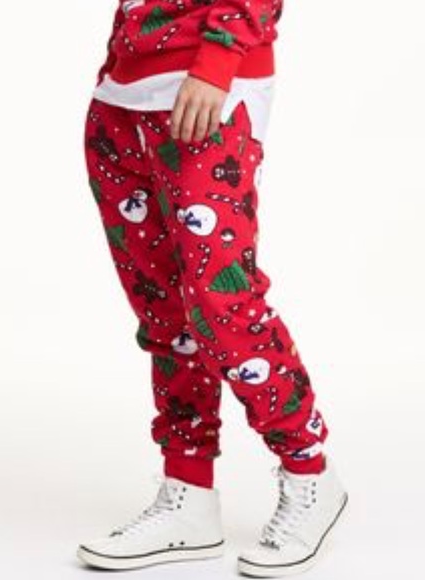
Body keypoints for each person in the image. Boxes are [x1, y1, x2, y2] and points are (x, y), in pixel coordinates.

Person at [76, 1, 348, 576]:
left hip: (207, 86)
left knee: (222, 302)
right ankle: (188, 493)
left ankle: (310, 474)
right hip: (122, 94)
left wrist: (218, 62)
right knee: (163, 311)